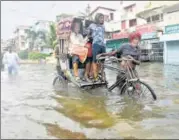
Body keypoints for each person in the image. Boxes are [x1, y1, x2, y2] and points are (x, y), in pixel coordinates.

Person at [87, 13, 105, 82]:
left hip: (103, 45)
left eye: (103, 18)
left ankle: (101, 74)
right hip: (96, 44)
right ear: (97, 18)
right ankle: (95, 76)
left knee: (102, 61)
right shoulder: (92, 25)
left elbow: (103, 35)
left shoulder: (103, 26)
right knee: (95, 60)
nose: (102, 19)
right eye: (101, 18)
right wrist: (91, 37)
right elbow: (88, 34)